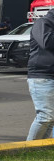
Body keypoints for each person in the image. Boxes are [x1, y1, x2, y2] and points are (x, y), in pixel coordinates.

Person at [26, 9, 54, 140]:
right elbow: (47, 42)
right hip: (42, 76)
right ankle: (27, 150)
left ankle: (47, 150)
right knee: (46, 117)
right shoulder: (43, 22)